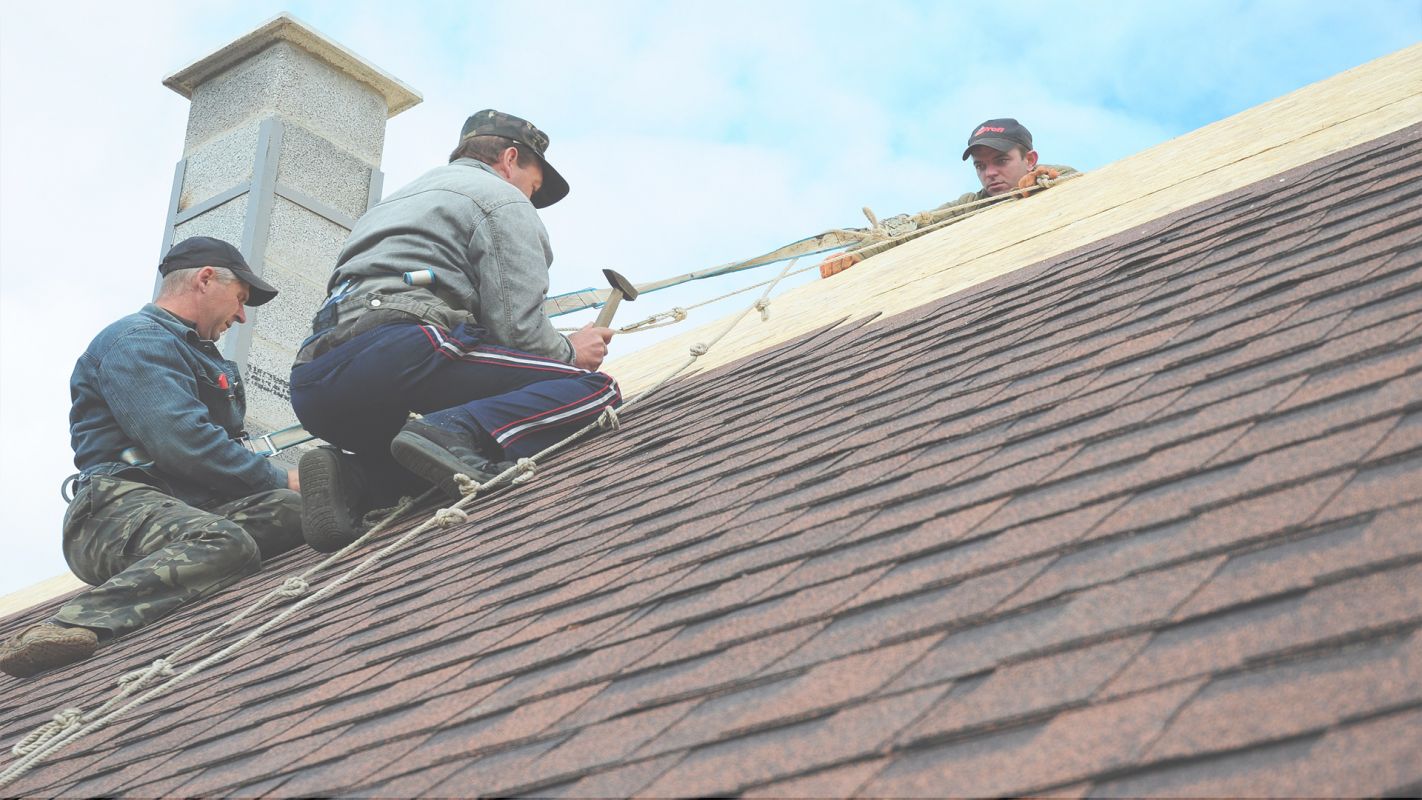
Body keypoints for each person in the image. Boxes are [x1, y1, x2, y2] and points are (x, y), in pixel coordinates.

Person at [290, 109, 620, 552]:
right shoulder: (500, 198)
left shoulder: (391, 206)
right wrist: (569, 351)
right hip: (401, 351)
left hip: (316, 384)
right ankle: (450, 431)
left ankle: (357, 479)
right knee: (593, 390)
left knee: (432, 450)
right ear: (508, 158)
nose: (530, 196)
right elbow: (518, 331)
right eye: (534, 185)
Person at [0, 237, 304, 679]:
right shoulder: (136, 341)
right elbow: (185, 444)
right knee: (225, 542)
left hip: (185, 509)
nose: (241, 315)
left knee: (295, 512)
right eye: (240, 299)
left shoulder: (189, 352)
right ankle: (66, 626)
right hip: (113, 512)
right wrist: (282, 478)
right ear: (205, 279)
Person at [820, 118, 1078, 277]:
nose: (990, 173)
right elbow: (915, 228)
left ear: (1030, 160)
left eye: (1001, 161)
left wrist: (1047, 181)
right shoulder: (969, 205)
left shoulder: (1054, 177)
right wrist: (858, 254)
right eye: (981, 166)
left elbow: (1079, 183)